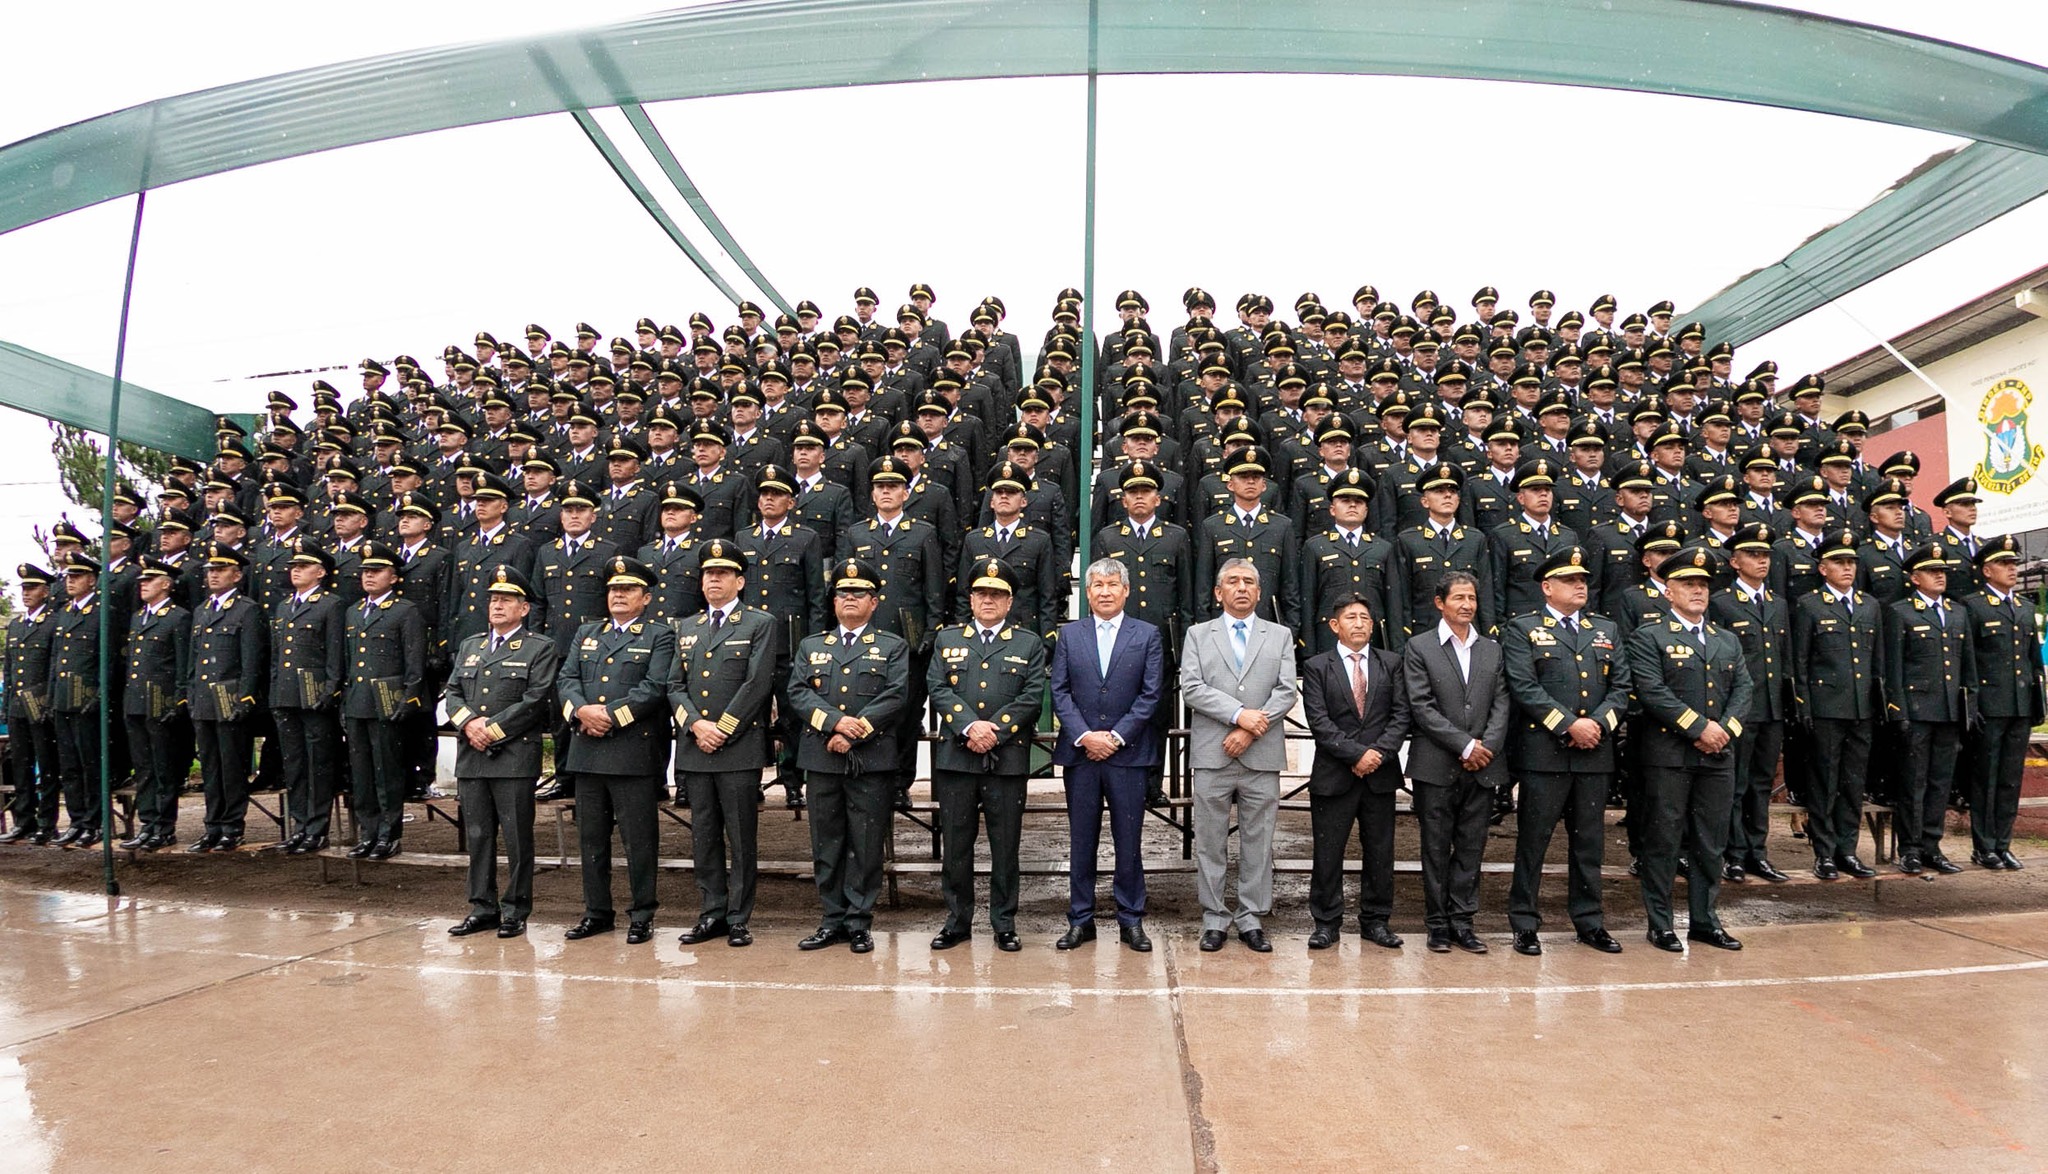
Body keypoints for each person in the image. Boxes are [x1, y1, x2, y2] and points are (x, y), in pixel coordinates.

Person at [1501, 549, 1630, 956]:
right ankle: (1524, 923)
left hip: (1594, 753)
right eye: (1570, 579)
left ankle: (1589, 921)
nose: (1580, 586)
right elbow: (1524, 686)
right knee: (1533, 843)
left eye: (1583, 579)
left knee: (1590, 844)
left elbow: (1621, 688)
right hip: (1545, 754)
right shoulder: (1524, 629)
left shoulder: (1605, 629)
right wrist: (1568, 724)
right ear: (1547, 587)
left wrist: (1598, 725)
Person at [1627, 543, 1753, 952]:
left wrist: (1725, 730)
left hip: (1718, 756)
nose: (1697, 591)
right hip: (1669, 755)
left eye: (1703, 584)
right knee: (1663, 840)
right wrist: (1699, 728)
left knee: (1710, 842)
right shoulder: (1650, 636)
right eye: (1687, 584)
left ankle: (1704, 920)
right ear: (1669, 590)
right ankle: (1660, 923)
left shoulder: (1726, 641)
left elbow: (1744, 689)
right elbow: (1652, 691)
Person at [788, 559, 911, 955]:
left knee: (866, 842)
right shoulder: (811, 645)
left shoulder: (892, 646)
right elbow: (798, 693)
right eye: (843, 593)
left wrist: (855, 732)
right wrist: (836, 724)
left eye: (859, 594)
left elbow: (895, 696)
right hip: (822, 756)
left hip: (870, 757)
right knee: (827, 843)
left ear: (874, 602)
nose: (850, 599)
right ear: (834, 601)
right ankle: (831, 920)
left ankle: (859, 922)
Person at [925, 558, 1049, 952]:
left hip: (1006, 758)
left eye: (997, 594)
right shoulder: (948, 640)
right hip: (957, 758)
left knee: (1005, 846)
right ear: (971, 598)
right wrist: (968, 725)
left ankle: (1003, 922)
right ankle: (957, 921)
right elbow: (938, 687)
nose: (989, 600)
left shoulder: (1028, 643)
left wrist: (996, 729)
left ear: (1010, 601)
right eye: (982, 593)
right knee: (956, 846)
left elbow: (1031, 696)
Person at [555, 556, 678, 944]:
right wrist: (580, 712)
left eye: (627, 589)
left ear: (645, 597)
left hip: (632, 753)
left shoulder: (659, 635)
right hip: (587, 752)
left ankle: (642, 913)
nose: (618, 595)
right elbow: (566, 678)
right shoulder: (587, 633)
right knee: (591, 840)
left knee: (638, 842)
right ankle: (597, 912)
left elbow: (655, 688)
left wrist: (608, 716)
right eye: (613, 589)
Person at [1180, 558, 1299, 954]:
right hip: (1213, 754)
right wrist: (1236, 714)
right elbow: (1192, 688)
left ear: (1260, 592)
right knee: (1210, 842)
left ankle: (1251, 917)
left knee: (1258, 840)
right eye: (1233, 582)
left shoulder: (1279, 635)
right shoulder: (1198, 634)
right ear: (1219, 592)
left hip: (1260, 754)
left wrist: (1250, 727)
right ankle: (1214, 918)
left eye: (1249, 581)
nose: (1242, 587)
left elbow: (1286, 690)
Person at [1049, 557, 1165, 952]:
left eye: (1112, 584)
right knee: (1082, 841)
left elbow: (1151, 694)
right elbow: (1059, 691)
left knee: (1128, 841)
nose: (1104, 591)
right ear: (1087, 592)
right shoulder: (1070, 634)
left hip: (1127, 755)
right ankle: (1080, 919)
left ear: (1126, 591)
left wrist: (1115, 737)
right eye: (1096, 584)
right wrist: (1085, 735)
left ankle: (1131, 919)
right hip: (1081, 755)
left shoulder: (1147, 634)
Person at [668, 540, 779, 949]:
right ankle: (711, 912)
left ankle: (738, 916)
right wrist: (697, 725)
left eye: (723, 574)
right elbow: (673, 686)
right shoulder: (686, 627)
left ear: (740, 580)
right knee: (704, 835)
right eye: (708, 574)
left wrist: (722, 728)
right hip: (697, 747)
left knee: (740, 836)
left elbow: (756, 684)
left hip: (737, 748)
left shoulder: (758, 623)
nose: (714, 580)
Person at [443, 564, 557, 939]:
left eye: (506, 600)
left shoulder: (539, 647)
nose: (497, 605)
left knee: (517, 838)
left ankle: (515, 909)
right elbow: (453, 692)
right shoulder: (470, 645)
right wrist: (469, 723)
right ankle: (482, 906)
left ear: (524, 608)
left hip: (512, 756)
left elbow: (535, 699)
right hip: (472, 755)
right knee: (477, 835)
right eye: (493, 599)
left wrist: (491, 729)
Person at [1402, 570, 1510, 954]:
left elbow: (1501, 704)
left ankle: (1463, 921)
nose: (1467, 605)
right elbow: (1421, 706)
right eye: (1459, 598)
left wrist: (1487, 747)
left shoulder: (1492, 649)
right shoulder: (1419, 647)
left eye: (1472, 598)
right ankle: (1437, 924)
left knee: (1471, 846)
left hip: (1483, 768)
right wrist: (1465, 745)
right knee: (1435, 846)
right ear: (1440, 603)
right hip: (1436, 765)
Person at [1299, 595, 1408, 950]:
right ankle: (1327, 922)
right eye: (1351, 617)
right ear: (1335, 625)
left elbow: (1401, 716)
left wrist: (1377, 754)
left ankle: (1376, 920)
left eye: (1365, 617)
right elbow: (1319, 721)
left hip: (1380, 774)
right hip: (1335, 774)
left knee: (1380, 851)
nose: (1359, 623)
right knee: (1328, 853)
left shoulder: (1391, 663)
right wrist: (1356, 755)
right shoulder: (1317, 666)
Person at [1790, 529, 1885, 879]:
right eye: (1838, 562)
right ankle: (1824, 852)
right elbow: (1800, 661)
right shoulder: (1810, 604)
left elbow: (1877, 661)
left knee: (1853, 783)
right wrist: (1804, 706)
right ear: (1822, 567)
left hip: (1862, 708)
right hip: (1826, 706)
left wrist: (1880, 703)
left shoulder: (1868, 605)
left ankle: (1848, 850)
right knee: (1825, 782)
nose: (1847, 568)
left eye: (1851, 562)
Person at [1883, 542, 1974, 875]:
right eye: (1932, 571)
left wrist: (1969, 703)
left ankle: (1932, 846)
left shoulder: (1957, 612)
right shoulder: (1901, 612)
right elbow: (1893, 668)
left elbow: (1967, 665)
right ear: (1914, 577)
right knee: (1913, 783)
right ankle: (1909, 848)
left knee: (1940, 783)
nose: (1940, 576)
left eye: (1943, 571)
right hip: (1918, 709)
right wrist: (1899, 712)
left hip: (1949, 709)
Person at [1708, 523, 1793, 884]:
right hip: (1739, 710)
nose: (1761, 561)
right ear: (1734, 561)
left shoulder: (1777, 604)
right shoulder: (1722, 603)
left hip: (1771, 707)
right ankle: (1735, 853)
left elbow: (1784, 659)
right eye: (1753, 555)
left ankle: (1758, 852)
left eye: (1765, 555)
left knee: (1762, 783)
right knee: (1736, 783)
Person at [341, 542, 427, 860]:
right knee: (362, 772)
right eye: (365, 572)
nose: (369, 577)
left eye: (376, 571)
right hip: (358, 702)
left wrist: (408, 699)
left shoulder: (405, 611)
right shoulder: (353, 612)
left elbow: (414, 663)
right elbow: (350, 661)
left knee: (386, 771)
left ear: (393, 577)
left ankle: (388, 835)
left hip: (387, 703)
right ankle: (368, 832)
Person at [1961, 535, 2040, 870]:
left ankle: (2003, 843)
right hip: (1989, 704)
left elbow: (2034, 662)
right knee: (1986, 778)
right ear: (1987, 569)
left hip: (2019, 703)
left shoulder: (2024, 608)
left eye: (2014, 564)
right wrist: (1973, 704)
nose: (2012, 569)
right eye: (2005, 564)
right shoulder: (1973, 606)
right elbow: (1969, 661)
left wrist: (2038, 703)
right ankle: (1984, 845)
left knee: (2010, 779)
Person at [187, 542, 267, 854]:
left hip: (230, 698)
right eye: (210, 571)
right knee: (210, 767)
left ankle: (232, 827)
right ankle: (212, 825)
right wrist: (191, 695)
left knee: (232, 767)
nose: (214, 576)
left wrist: (245, 698)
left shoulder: (246, 610)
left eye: (221, 570)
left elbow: (251, 661)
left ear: (236, 575)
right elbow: (195, 659)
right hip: (205, 701)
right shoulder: (202, 610)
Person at [268, 539, 346, 854]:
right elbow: (276, 656)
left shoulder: (330, 604)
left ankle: (317, 828)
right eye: (293, 567)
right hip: (286, 694)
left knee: (319, 764)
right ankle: (299, 826)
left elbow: (335, 653)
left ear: (321, 572)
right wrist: (275, 693)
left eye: (303, 566)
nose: (296, 571)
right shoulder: (284, 605)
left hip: (315, 695)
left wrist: (330, 689)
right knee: (295, 764)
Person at [116, 557, 192, 852]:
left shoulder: (178, 617)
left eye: (149, 581)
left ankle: (164, 826)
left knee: (163, 767)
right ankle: (148, 823)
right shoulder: (138, 618)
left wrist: (178, 700)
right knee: (144, 768)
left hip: (161, 702)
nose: (143, 585)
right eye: (141, 581)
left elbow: (183, 663)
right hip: (136, 701)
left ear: (166, 584)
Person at [47, 556, 114, 848]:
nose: (70, 581)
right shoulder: (64, 614)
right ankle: (76, 821)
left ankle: (94, 822)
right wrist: (51, 696)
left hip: (87, 699)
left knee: (90, 764)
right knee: (70, 766)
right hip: (63, 698)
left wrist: (99, 696)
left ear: (92, 580)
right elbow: (55, 659)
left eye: (77, 576)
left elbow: (108, 661)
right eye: (68, 576)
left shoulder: (102, 613)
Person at [0, 563, 61, 845]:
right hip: (17, 707)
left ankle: (47, 823)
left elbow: (53, 667)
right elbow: (11, 669)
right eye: (24, 588)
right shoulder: (16, 625)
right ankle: (24, 821)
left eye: (32, 588)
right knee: (20, 765)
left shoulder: (53, 622)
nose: (26, 593)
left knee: (46, 766)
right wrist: (7, 705)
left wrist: (48, 702)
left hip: (41, 705)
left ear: (46, 591)